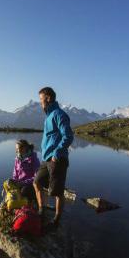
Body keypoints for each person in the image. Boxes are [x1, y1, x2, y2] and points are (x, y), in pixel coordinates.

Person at [33, 87, 74, 227]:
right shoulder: (49, 116)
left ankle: (56, 220)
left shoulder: (59, 114)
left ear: (48, 98)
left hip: (57, 159)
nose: (40, 102)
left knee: (57, 192)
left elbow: (68, 136)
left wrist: (57, 153)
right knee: (36, 182)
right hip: (46, 159)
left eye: (41, 99)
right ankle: (41, 210)